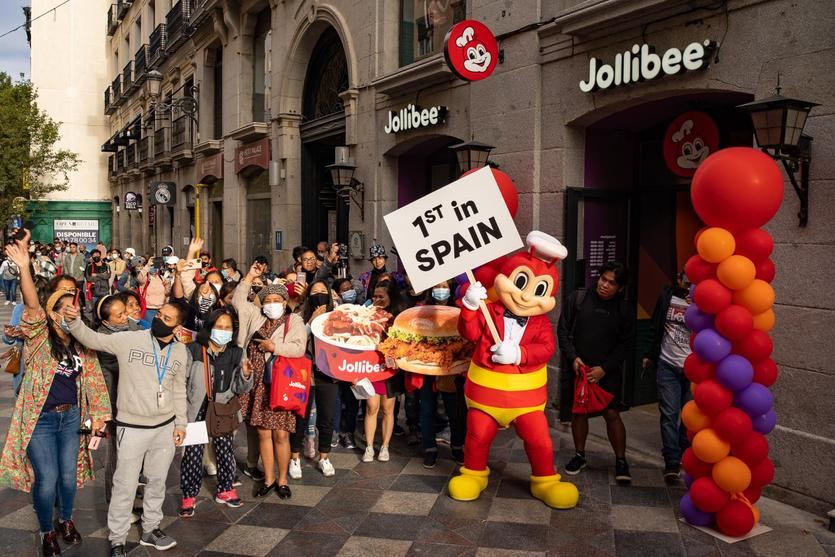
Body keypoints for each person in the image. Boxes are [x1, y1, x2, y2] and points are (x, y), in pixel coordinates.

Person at [0, 231, 111, 557]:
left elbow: (93, 382)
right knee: (46, 479)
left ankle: (66, 519)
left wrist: (100, 418)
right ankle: (48, 531)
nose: (70, 310)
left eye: (73, 303)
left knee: (68, 477)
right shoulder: (36, 332)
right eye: (61, 306)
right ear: (51, 310)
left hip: (71, 418)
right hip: (40, 420)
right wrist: (24, 267)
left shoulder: (82, 341)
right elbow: (32, 303)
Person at [63, 300, 190, 557]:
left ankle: (151, 530)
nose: (158, 320)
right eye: (159, 314)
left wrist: (181, 423)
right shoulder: (130, 340)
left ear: (178, 327)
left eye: (167, 319)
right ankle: (117, 538)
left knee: (156, 482)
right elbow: (93, 339)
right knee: (125, 484)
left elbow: (178, 390)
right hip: (132, 427)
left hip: (164, 428)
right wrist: (74, 321)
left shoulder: (180, 353)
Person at [233, 261, 307, 499]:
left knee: (281, 434)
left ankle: (283, 480)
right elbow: (238, 302)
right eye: (268, 301)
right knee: (263, 433)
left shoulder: (292, 321)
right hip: (256, 383)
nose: (272, 304)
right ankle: (268, 478)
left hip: (279, 384)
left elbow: (298, 349)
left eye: (277, 301)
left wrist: (274, 347)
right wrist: (249, 277)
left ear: (285, 303)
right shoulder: (255, 316)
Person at [557, 261, 635, 484]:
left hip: (606, 370)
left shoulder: (624, 309)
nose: (604, 285)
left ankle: (621, 460)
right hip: (579, 367)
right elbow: (562, 330)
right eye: (603, 279)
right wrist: (573, 358)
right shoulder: (579, 298)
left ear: (619, 288)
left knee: (611, 413)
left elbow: (626, 344)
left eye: (611, 283)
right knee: (578, 412)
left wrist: (604, 369)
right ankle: (580, 455)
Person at [179, 308, 253, 517]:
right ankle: (189, 495)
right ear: (209, 328)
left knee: (225, 451)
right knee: (192, 455)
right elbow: (182, 381)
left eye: (228, 327)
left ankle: (226, 489)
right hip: (196, 409)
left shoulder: (237, 352)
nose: (223, 331)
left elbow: (241, 388)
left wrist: (246, 375)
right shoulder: (193, 349)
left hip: (223, 409)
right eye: (219, 327)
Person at [643, 271, 692, 481]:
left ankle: (685, 452)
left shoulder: (707, 303)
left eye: (694, 282)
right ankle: (672, 460)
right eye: (686, 280)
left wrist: (700, 307)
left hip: (695, 369)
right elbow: (656, 325)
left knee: (690, 416)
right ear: (679, 279)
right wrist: (648, 353)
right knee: (669, 414)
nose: (689, 286)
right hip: (667, 364)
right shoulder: (667, 296)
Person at [289, 280, 339, 479]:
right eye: (314, 291)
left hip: (329, 374)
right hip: (304, 373)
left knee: (326, 418)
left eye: (323, 291)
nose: (319, 294)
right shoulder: (299, 317)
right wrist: (312, 322)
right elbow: (297, 341)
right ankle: (294, 459)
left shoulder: (337, 317)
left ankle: (324, 456)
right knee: (300, 417)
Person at [416, 280, 467, 468]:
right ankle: (429, 448)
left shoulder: (459, 311)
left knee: (455, 411)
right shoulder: (421, 310)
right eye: (436, 286)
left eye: (444, 287)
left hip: (451, 369)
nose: (440, 290)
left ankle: (457, 447)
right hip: (427, 367)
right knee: (427, 409)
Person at [92, 295, 136, 505]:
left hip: (137, 403)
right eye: (120, 315)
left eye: (125, 311)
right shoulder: (103, 339)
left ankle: (131, 491)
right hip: (116, 403)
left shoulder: (132, 328)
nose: (126, 316)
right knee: (117, 455)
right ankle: (115, 501)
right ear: (105, 321)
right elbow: (124, 364)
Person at [362, 280, 405, 463]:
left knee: (388, 409)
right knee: (372, 407)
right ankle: (369, 447)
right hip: (371, 366)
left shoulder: (399, 317)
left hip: (390, 368)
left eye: (381, 296)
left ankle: (385, 446)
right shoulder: (365, 314)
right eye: (375, 296)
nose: (377, 299)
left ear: (390, 297)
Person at [137, 259, 172, 323]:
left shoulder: (161, 278)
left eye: (155, 266)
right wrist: (148, 265)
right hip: (149, 310)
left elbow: (167, 293)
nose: (154, 268)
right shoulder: (145, 278)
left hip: (161, 309)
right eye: (152, 266)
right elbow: (139, 278)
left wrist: (168, 285)